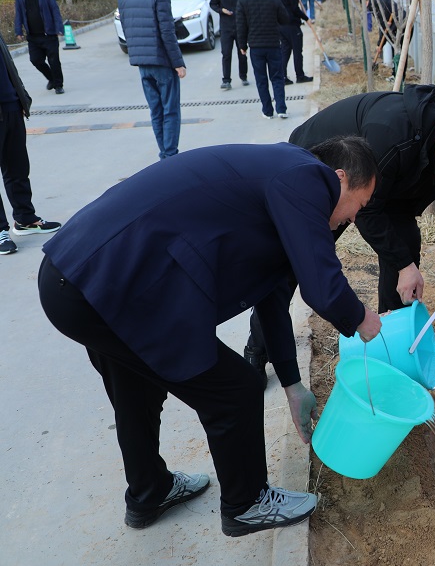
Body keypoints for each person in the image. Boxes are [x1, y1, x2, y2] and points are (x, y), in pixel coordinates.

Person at [38, 137, 383, 537]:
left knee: (135, 387)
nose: (354, 219)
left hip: (75, 278)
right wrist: (361, 318)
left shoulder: (279, 178)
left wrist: (292, 384)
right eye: (360, 204)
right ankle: (246, 503)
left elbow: (272, 296)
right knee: (235, 390)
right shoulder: (308, 178)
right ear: (339, 179)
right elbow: (322, 287)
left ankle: (150, 492)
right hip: (104, 280)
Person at [243, 85, 435, 373]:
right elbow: (366, 210)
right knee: (297, 261)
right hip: (325, 168)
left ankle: (393, 341)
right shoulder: (392, 133)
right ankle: (258, 348)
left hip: (388, 181)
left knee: (404, 247)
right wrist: (403, 265)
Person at [117, 0, 186, 160]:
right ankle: (170, 155)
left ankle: (164, 153)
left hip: (142, 62)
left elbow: (126, 28)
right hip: (162, 61)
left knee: (156, 110)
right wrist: (178, 63)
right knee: (170, 110)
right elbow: (167, 33)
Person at [0, 32, 62, 256]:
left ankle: (25, 219)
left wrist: (21, 98)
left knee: (17, 168)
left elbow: (8, 67)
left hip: (11, 107)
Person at [237, 0, 291, 119]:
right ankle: (281, 108)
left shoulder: (243, 1)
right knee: (277, 78)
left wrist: (242, 46)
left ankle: (267, 110)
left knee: (261, 80)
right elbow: (285, 19)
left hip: (255, 46)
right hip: (273, 44)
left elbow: (241, 26)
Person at [14, 0, 65, 95]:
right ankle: (51, 78)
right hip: (33, 36)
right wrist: (18, 30)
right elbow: (18, 13)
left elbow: (55, 11)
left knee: (54, 61)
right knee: (35, 60)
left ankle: (58, 85)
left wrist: (59, 28)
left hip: (49, 35)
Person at [210, 0, 249, 90]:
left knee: (242, 52)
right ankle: (226, 80)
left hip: (240, 28)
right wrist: (221, 10)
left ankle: (243, 76)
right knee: (226, 54)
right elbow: (213, 4)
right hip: (226, 27)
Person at [274, 0, 313, 85]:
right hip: (291, 23)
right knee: (297, 50)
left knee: (285, 50)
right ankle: (300, 75)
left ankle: (282, 76)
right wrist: (306, 18)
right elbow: (294, 9)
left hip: (281, 23)